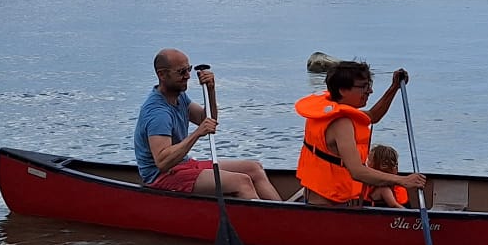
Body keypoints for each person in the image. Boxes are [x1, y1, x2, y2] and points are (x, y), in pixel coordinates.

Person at [134, 49, 278, 199]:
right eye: (182, 72)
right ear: (162, 75)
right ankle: (264, 214)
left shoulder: (179, 97)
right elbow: (163, 162)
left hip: (183, 165)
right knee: (242, 182)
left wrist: (210, 90)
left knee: (253, 168)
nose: (188, 76)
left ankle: (284, 210)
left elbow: (207, 119)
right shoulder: (158, 113)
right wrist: (197, 133)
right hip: (162, 176)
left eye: (188, 69)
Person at [294, 59, 427, 207]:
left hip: (329, 198)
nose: (370, 91)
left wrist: (394, 87)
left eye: (369, 85)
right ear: (342, 90)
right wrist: (402, 180)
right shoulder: (341, 124)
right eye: (363, 87)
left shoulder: (330, 112)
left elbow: (373, 116)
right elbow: (357, 171)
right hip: (327, 205)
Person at [366, 143, 411, 207]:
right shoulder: (383, 187)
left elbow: (395, 206)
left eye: (369, 160)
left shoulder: (384, 189)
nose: (367, 162)